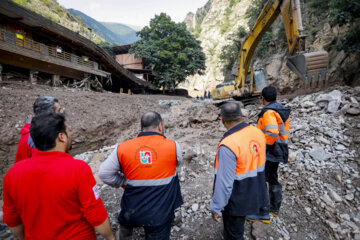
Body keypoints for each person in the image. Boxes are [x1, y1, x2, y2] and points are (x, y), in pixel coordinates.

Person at [2, 112, 115, 240]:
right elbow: (96, 215)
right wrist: (110, 237)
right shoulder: (78, 169)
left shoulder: (13, 173)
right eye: (68, 131)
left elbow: (12, 219)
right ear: (61, 137)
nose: (70, 135)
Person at [99, 111, 183, 240]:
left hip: (132, 210)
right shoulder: (173, 145)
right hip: (159, 214)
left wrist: (122, 182)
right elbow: (178, 163)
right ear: (160, 126)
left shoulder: (122, 147)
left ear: (141, 127)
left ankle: (125, 232)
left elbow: (104, 173)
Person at [211, 102, 267, 240]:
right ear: (242, 115)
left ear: (222, 120)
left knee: (234, 235)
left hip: (236, 200)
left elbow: (224, 183)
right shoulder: (258, 133)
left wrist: (216, 206)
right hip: (256, 191)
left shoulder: (228, 144)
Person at [247, 86, 290, 222]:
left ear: (263, 98)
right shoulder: (280, 109)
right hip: (280, 149)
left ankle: (262, 213)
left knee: (261, 179)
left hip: (270, 150)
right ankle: (274, 208)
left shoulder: (269, 112)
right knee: (272, 177)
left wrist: (262, 146)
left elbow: (271, 132)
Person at [14, 96, 62, 163]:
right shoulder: (27, 138)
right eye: (58, 111)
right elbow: (19, 166)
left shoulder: (59, 130)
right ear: (48, 114)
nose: (61, 114)